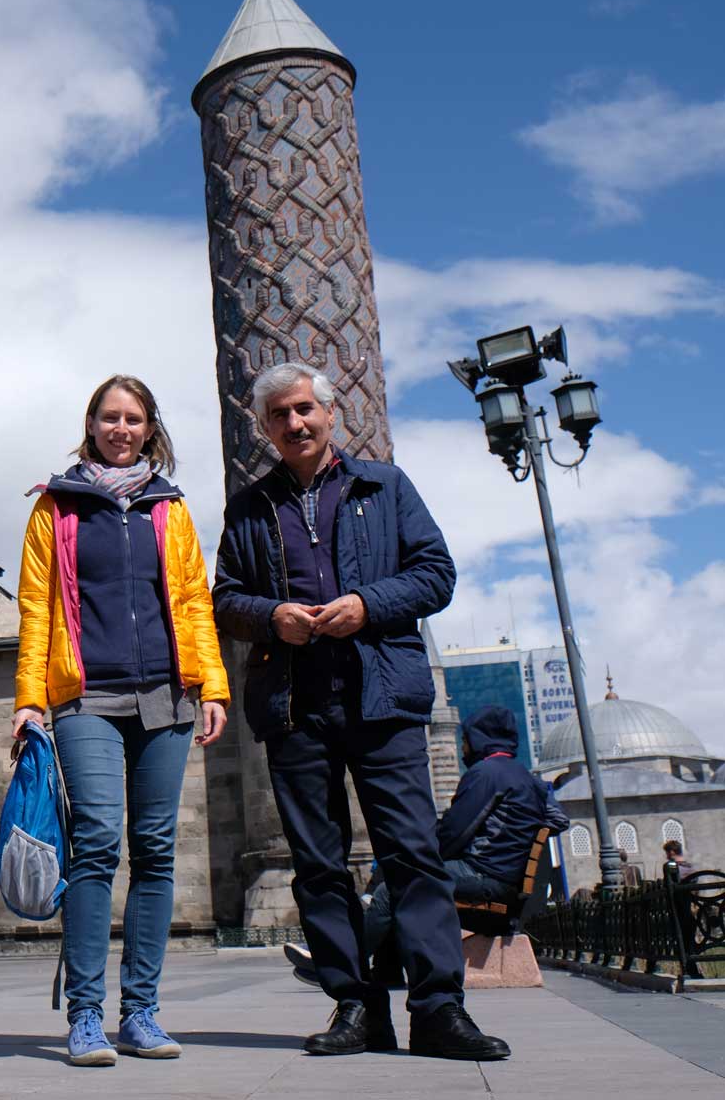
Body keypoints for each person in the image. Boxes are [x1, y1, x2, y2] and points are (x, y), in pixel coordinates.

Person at [213, 361, 507, 1062]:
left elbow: (436, 574)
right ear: (265, 426)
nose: (296, 422)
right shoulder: (249, 509)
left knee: (412, 853)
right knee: (318, 863)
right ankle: (355, 1005)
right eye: (280, 414)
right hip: (294, 706)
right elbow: (222, 598)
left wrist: (367, 605)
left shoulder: (385, 486)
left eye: (306, 408)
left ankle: (439, 1009)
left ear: (330, 412)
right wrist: (272, 614)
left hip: (382, 697)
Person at [13, 373, 230, 1066]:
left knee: (157, 848)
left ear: (149, 428)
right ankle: (84, 1015)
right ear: (91, 425)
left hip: (167, 698)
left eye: (133, 418)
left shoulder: (171, 509)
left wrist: (213, 685)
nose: (121, 428)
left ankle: (140, 1011)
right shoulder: (57, 507)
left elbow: (195, 599)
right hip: (86, 696)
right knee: (99, 841)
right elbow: (37, 605)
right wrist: (28, 696)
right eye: (110, 417)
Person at [286, 705, 571, 983]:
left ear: (480, 738)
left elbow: (452, 832)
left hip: (487, 878)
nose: (462, 748)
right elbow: (556, 819)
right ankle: (385, 969)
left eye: (465, 740)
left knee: (397, 886)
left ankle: (340, 963)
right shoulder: (523, 777)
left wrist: (419, 856)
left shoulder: (487, 774)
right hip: (501, 878)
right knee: (401, 873)